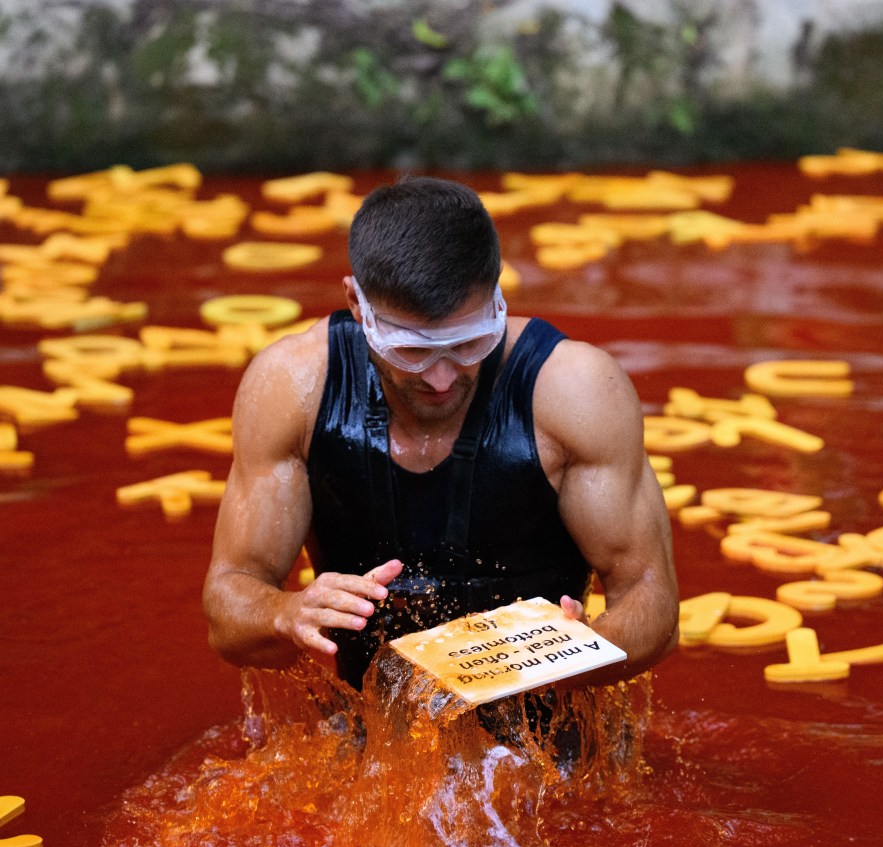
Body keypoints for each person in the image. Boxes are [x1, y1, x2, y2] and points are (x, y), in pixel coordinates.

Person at [203, 176, 678, 694]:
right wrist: (285, 612)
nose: (441, 377)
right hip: (376, 743)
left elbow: (652, 601)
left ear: (497, 298)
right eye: (410, 350)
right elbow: (228, 612)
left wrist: (581, 653)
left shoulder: (575, 390)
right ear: (357, 304)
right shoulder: (292, 388)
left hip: (554, 746)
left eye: (468, 343)